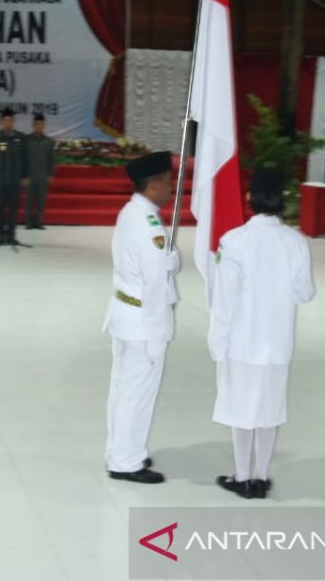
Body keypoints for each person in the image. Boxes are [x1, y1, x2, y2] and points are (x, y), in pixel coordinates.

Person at [208, 169, 315, 499]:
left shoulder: (234, 242)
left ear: (249, 200)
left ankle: (242, 476)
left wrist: (217, 340)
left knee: (242, 409)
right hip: (277, 341)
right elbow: (305, 293)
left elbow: (224, 300)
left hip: (242, 340)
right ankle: (261, 476)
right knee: (270, 409)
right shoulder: (295, 242)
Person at [104, 152, 179, 484]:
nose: (170, 189)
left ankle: (122, 450)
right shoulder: (149, 225)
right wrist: (171, 261)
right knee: (137, 393)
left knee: (123, 390)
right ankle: (126, 462)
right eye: (167, 182)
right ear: (153, 184)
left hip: (124, 313)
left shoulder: (131, 211)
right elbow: (156, 281)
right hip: (143, 320)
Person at [0, 108, 28, 246]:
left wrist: (26, 175)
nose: (8, 123)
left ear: (14, 121)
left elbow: (25, 159)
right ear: (0, 122)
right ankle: (0, 236)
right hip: (0, 180)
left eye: (10, 120)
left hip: (15, 180)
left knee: (13, 210)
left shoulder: (20, 138)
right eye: (5, 120)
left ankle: (11, 236)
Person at [24, 113, 55, 230]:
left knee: (41, 200)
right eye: (37, 124)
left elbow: (51, 159)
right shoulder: (26, 140)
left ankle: (39, 222)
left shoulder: (48, 141)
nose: (39, 126)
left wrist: (51, 174)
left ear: (44, 125)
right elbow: (23, 159)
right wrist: (23, 175)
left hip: (43, 175)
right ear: (33, 125)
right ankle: (28, 223)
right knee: (29, 200)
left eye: (41, 124)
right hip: (29, 175)